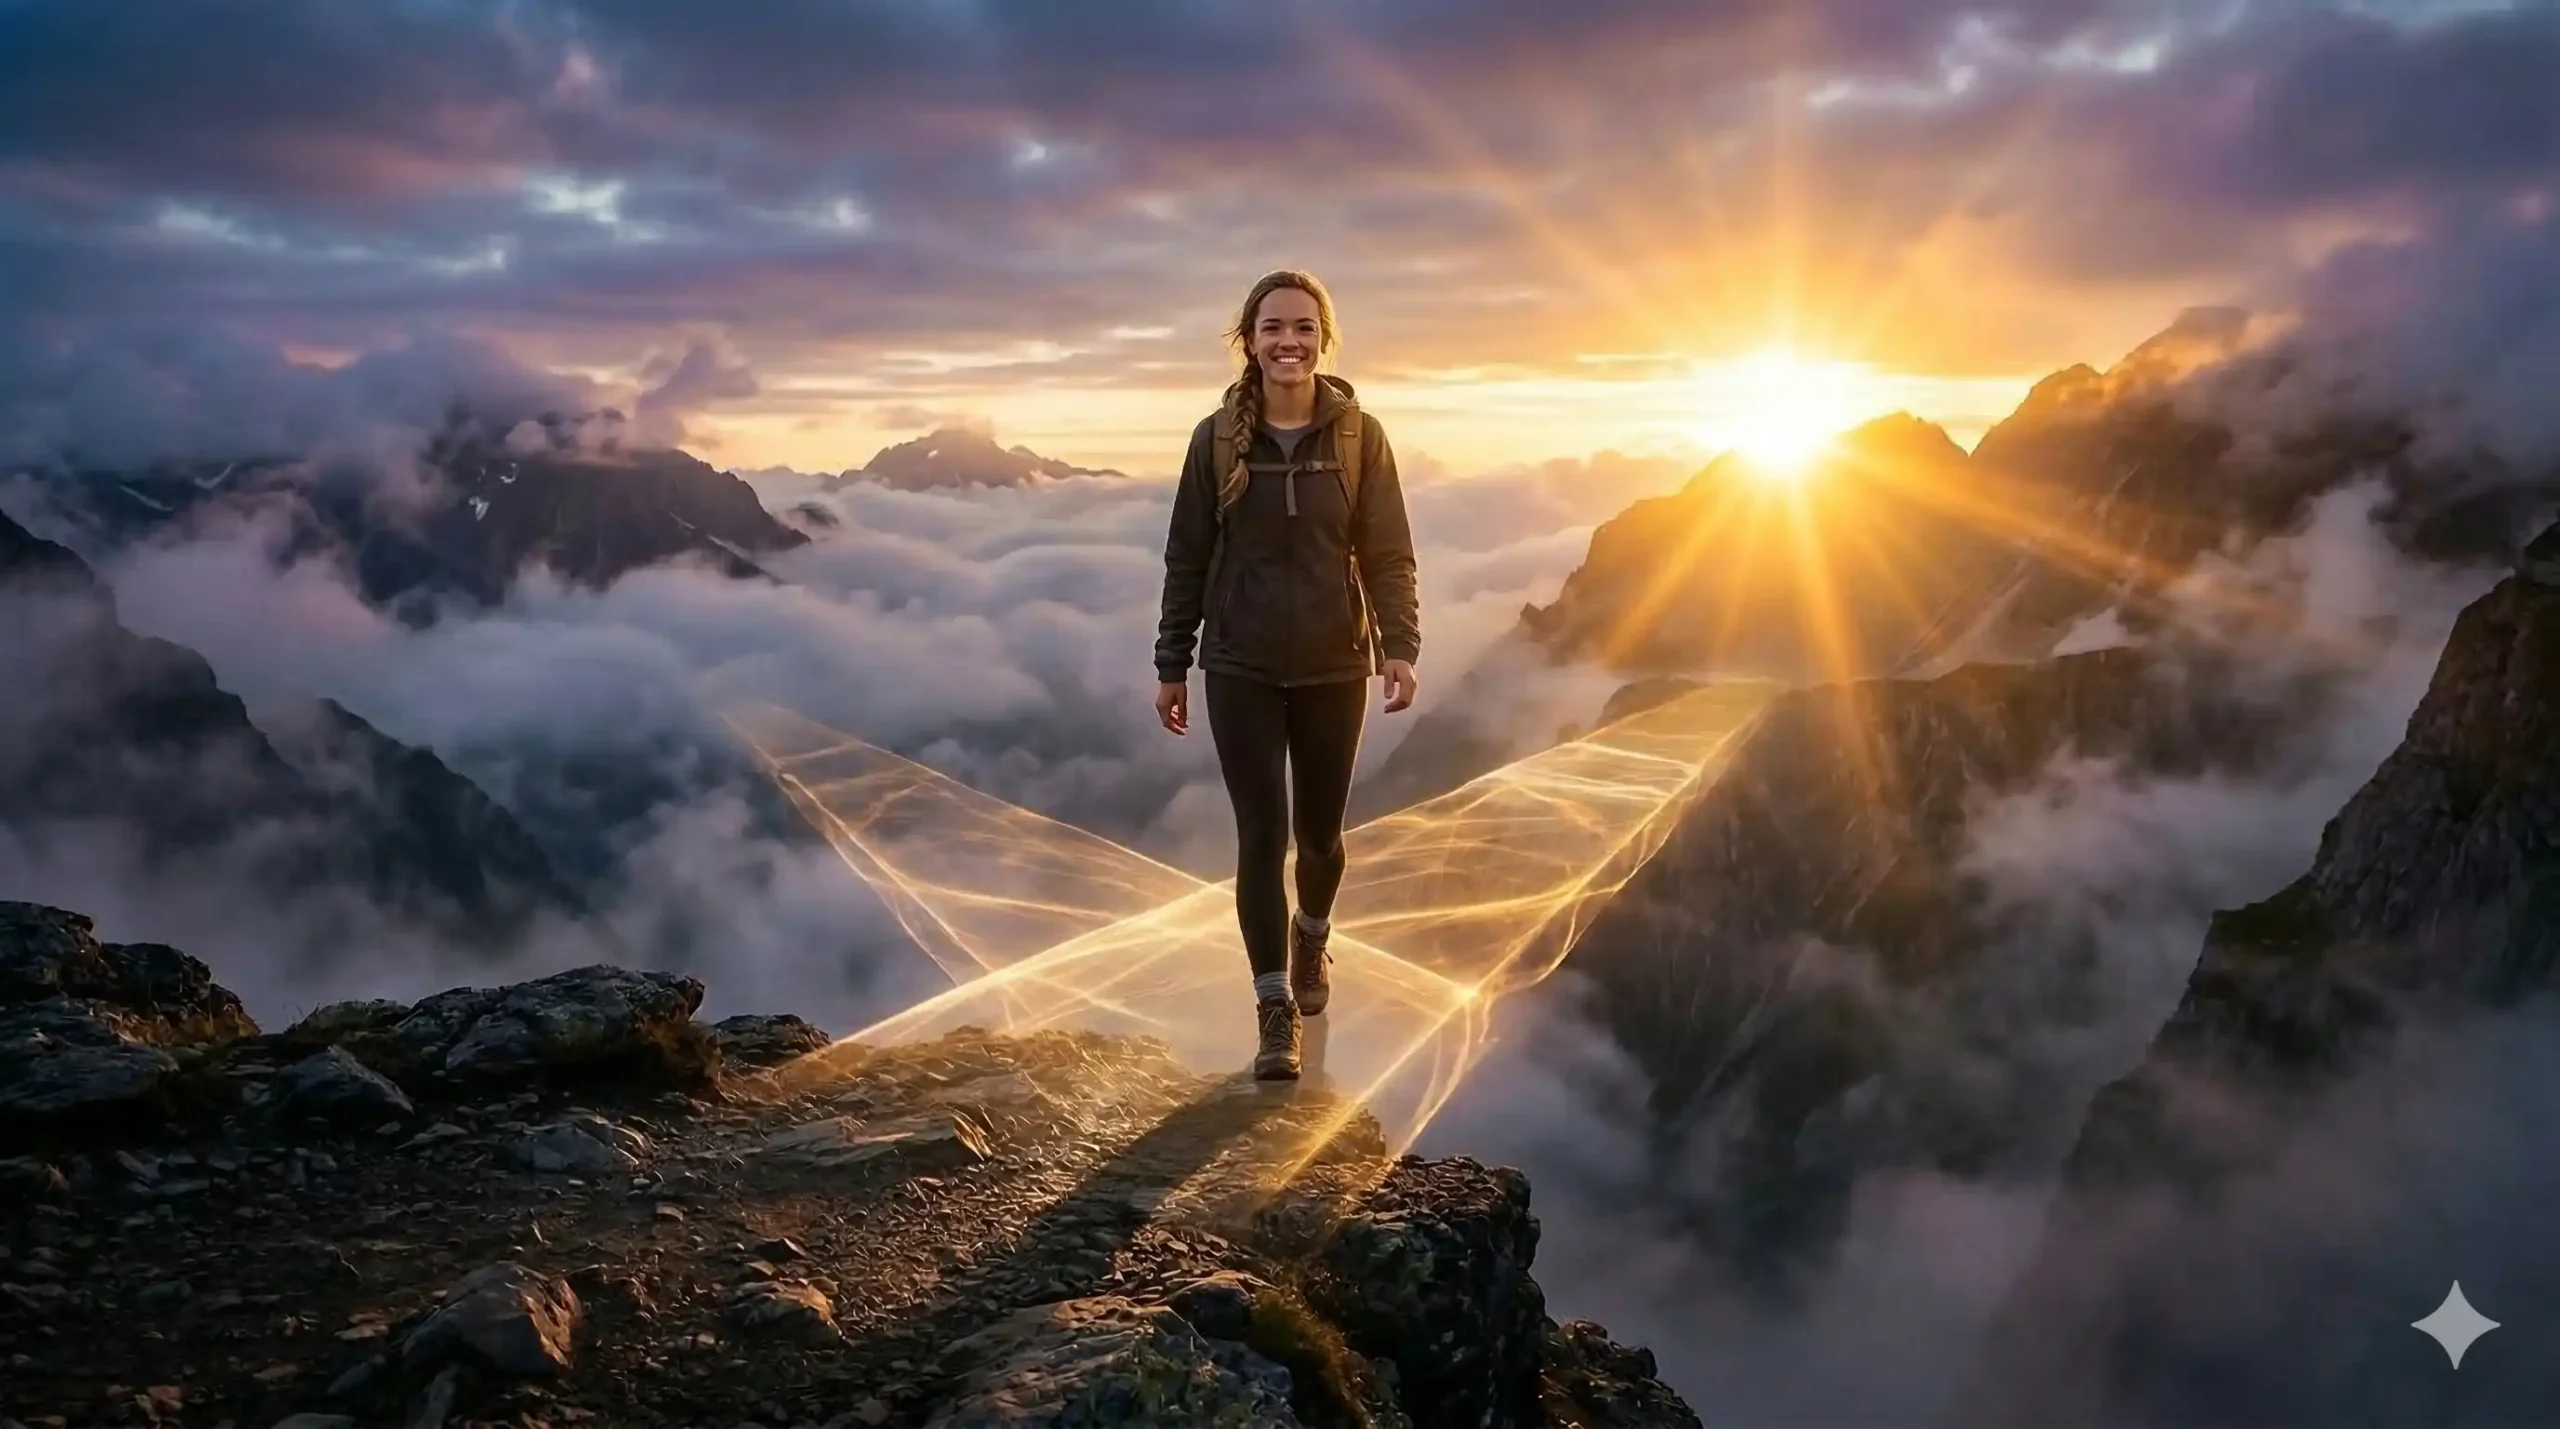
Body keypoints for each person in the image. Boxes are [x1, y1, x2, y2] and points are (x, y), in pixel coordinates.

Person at [1152, 268, 1422, 1081]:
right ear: (1250, 340)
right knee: (1262, 837)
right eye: (1273, 327)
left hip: (1335, 662)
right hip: (1239, 664)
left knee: (1321, 839)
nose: (1289, 341)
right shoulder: (1216, 439)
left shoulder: (1360, 437)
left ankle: (1312, 940)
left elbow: (1387, 549)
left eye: (1304, 327)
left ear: (1324, 338)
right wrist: (1173, 660)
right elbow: (1187, 556)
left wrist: (1399, 645)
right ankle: (1274, 1010)